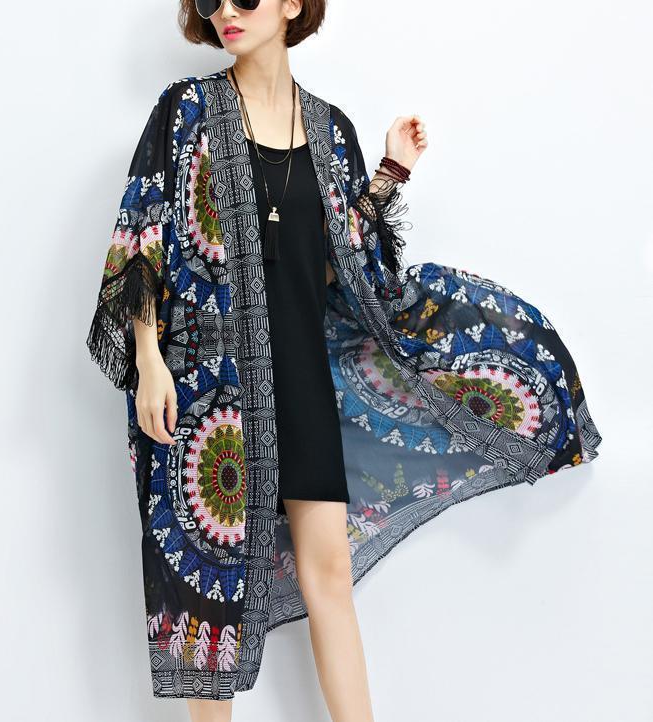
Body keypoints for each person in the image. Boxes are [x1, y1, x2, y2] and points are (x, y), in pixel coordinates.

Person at [86, 1, 602, 720]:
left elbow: (346, 269)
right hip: (207, 391)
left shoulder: (331, 132)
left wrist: (389, 172)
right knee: (209, 599)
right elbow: (141, 237)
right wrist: (148, 359)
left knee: (329, 572)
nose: (226, 11)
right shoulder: (186, 113)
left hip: (302, 378)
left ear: (293, 4)